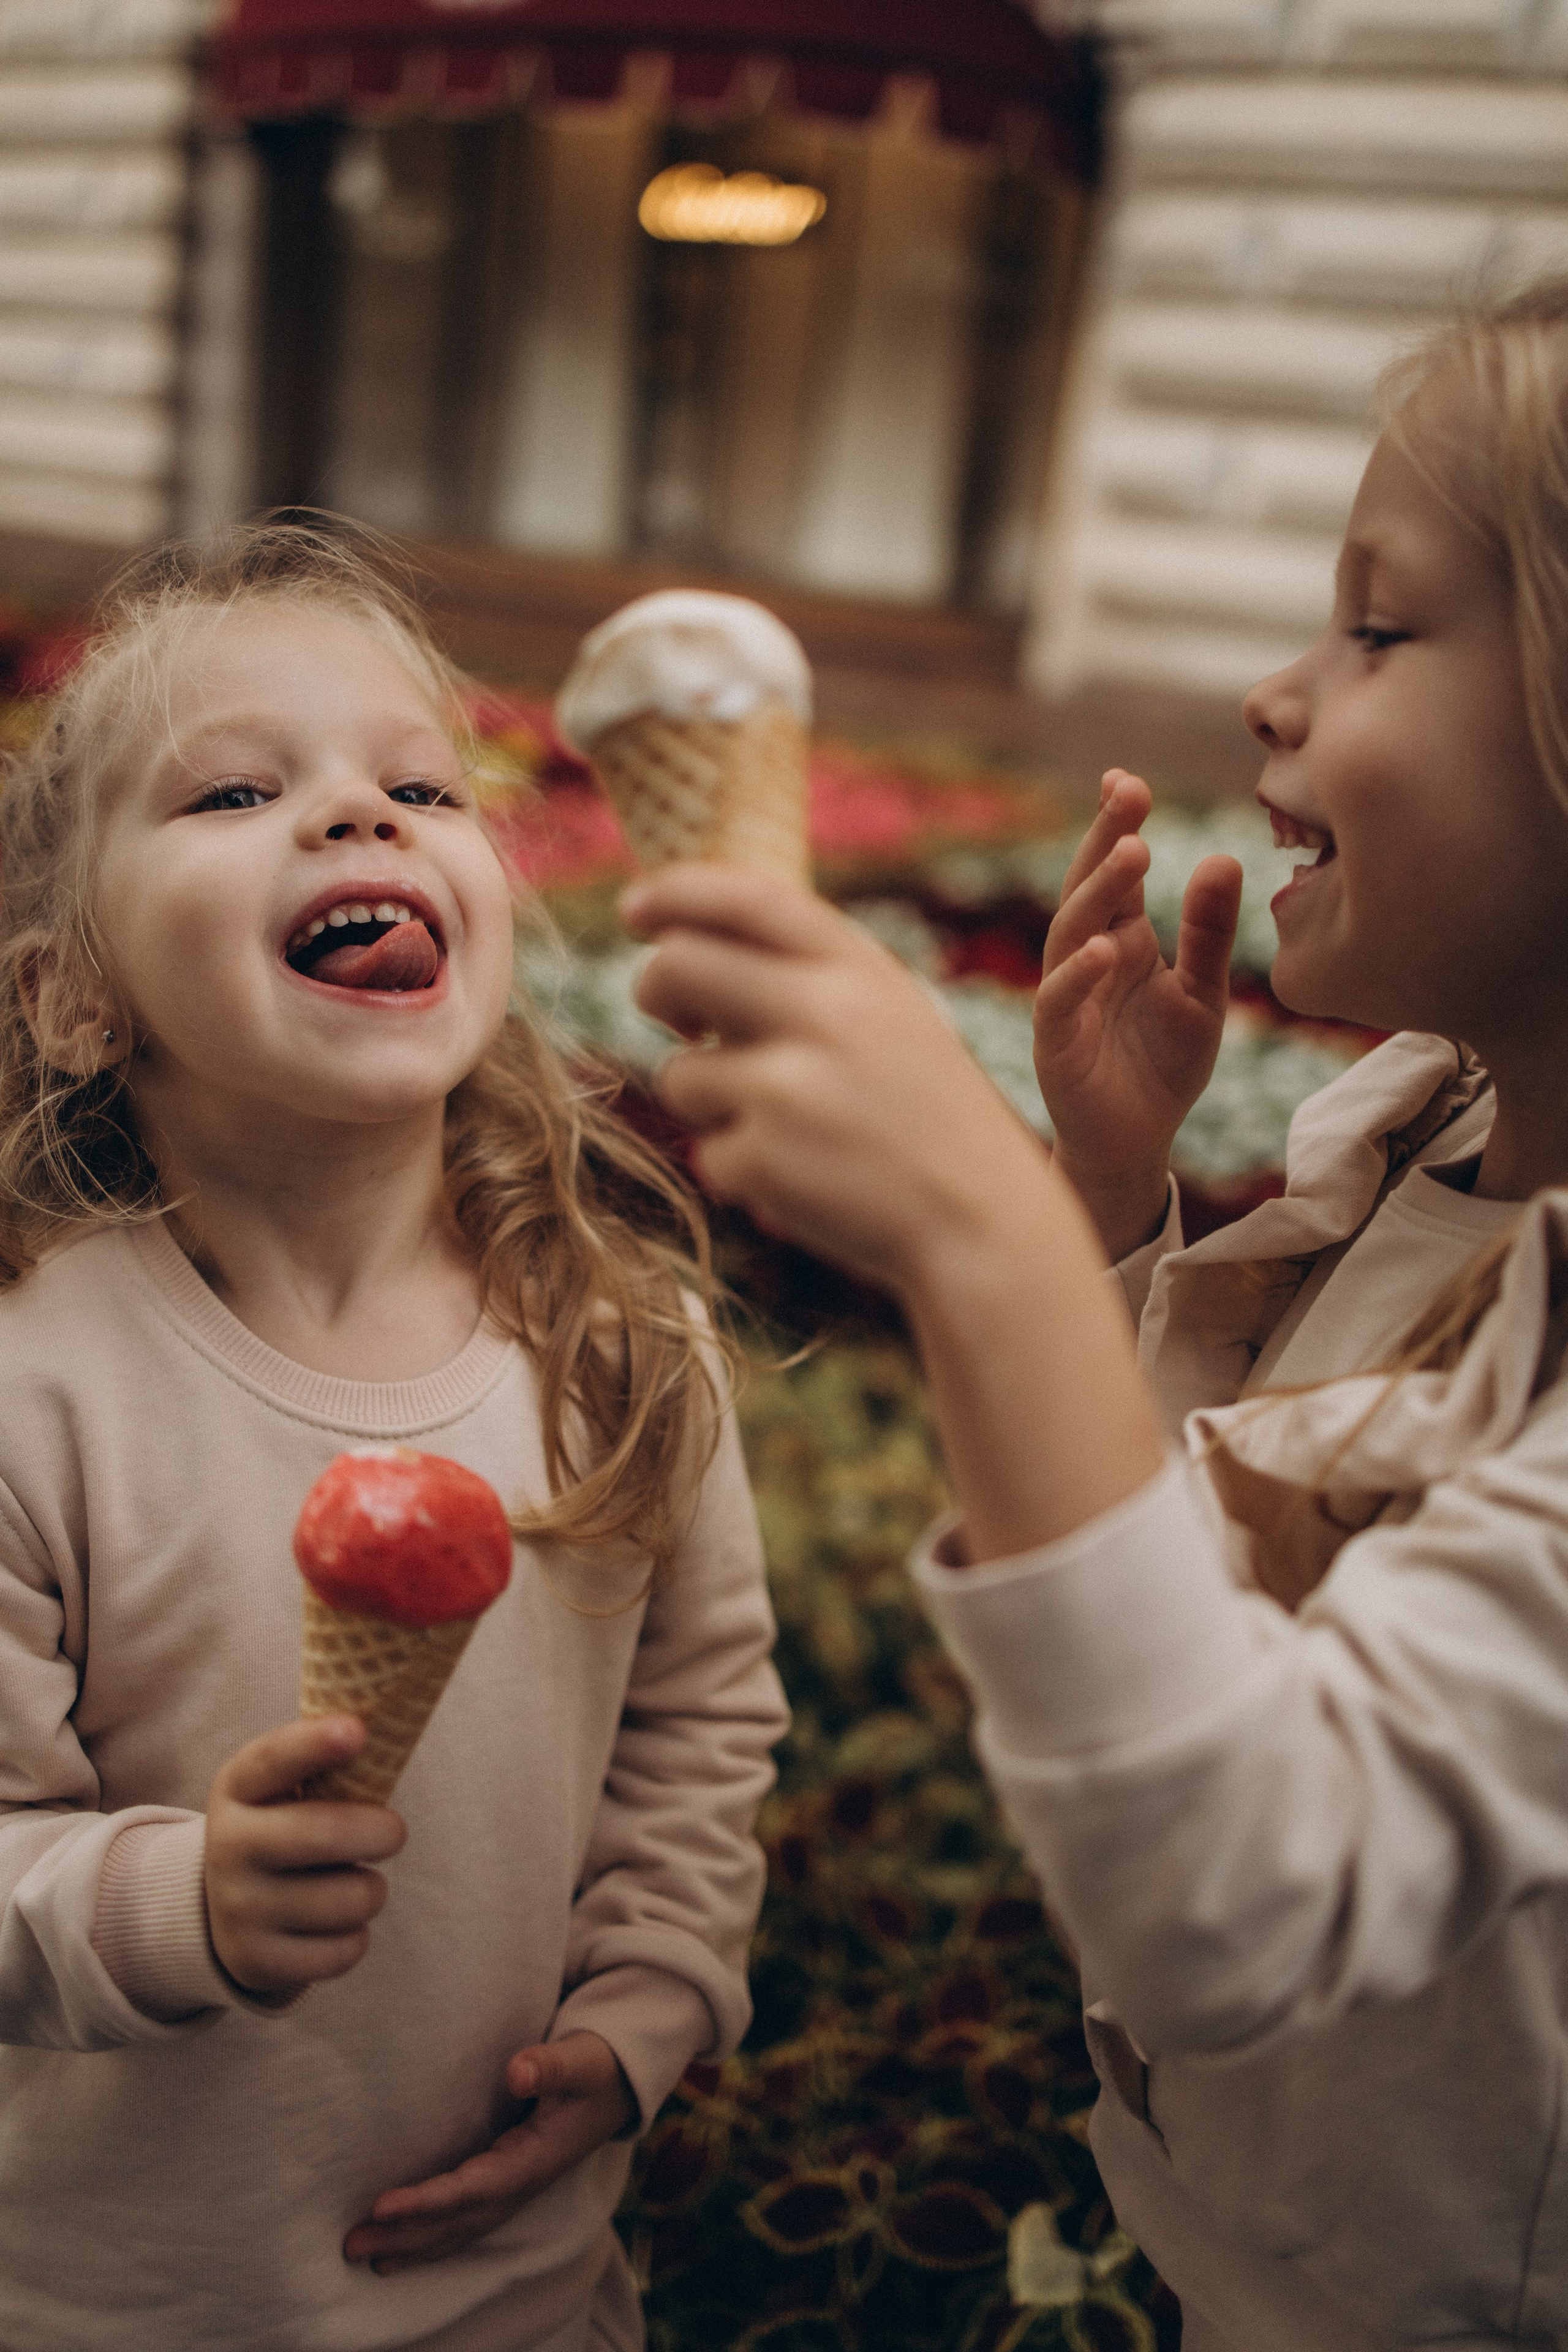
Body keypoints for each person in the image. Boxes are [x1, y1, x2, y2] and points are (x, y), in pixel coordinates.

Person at [622, 277, 1568, 2349]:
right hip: (1229, 2224)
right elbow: (1231, 1540)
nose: (1276, 691)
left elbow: (1244, 1881)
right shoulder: (1423, 1133)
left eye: (1380, 629)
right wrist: (1114, 1203)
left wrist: (986, 1243)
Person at [0, 524, 787, 2352]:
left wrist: (647, 2007)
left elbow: (702, 1722)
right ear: (73, 994)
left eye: (422, 784)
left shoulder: (623, 1347)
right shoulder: (38, 1391)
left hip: (515, 2285)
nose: (364, 817)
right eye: (238, 791)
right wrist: (170, 1899)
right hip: (115, 2301)